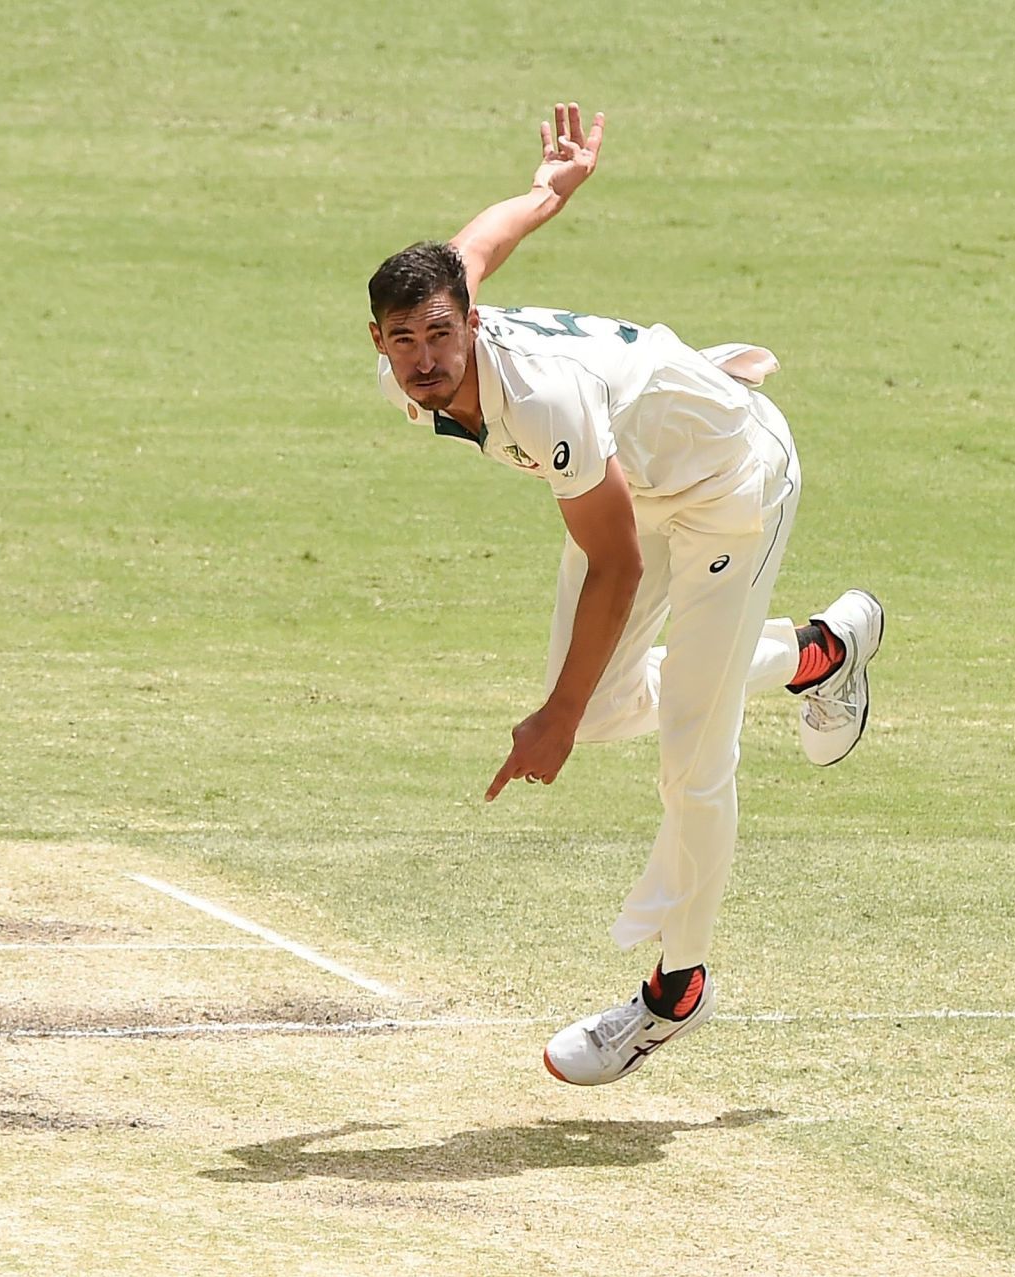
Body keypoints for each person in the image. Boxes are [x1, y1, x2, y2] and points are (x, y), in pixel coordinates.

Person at [365, 103, 884, 1086]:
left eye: (440, 333)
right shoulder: (418, 359)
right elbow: (474, 245)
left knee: (693, 751)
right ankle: (819, 656)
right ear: (381, 341)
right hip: (636, 474)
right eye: (404, 340)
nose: (425, 357)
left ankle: (674, 991)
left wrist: (552, 719)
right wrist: (549, 188)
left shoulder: (541, 399)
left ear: (468, 323)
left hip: (731, 482)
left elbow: (617, 569)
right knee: (613, 708)